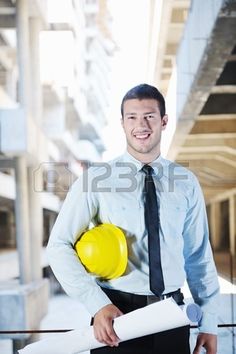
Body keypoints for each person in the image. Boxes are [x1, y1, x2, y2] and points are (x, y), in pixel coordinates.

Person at [47, 84, 219, 354]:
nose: (141, 124)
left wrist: (209, 321)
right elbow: (58, 246)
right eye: (132, 117)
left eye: (149, 116)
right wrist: (97, 304)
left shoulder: (186, 182)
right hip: (115, 317)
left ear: (163, 121)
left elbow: (199, 256)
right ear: (122, 123)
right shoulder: (96, 179)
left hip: (172, 316)